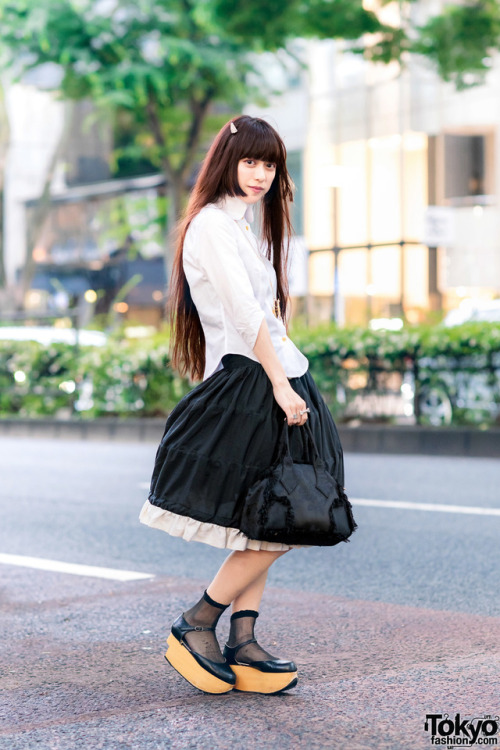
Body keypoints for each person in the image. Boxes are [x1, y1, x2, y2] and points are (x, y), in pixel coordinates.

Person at [139, 114, 348, 696]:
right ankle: (198, 622)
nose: (260, 174)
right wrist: (281, 386)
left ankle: (244, 641)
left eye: (270, 164)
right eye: (250, 161)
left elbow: (268, 316)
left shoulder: (244, 228)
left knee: (267, 520)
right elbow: (243, 314)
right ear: (226, 163)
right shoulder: (210, 225)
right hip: (253, 384)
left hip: (276, 375)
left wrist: (288, 378)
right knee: (284, 519)